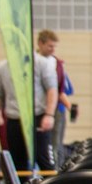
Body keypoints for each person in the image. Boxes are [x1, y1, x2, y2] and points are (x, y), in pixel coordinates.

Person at [0, 52, 58, 175]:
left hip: (38, 118)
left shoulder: (42, 63)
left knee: (44, 161)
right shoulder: (3, 67)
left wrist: (49, 114)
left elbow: (52, 89)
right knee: (17, 162)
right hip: (14, 119)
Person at [36, 29, 75, 167]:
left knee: (56, 143)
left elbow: (60, 90)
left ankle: (56, 170)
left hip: (57, 109)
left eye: (54, 46)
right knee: (43, 146)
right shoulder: (33, 62)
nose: (53, 49)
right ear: (40, 44)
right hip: (39, 109)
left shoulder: (57, 64)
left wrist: (69, 106)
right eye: (50, 46)